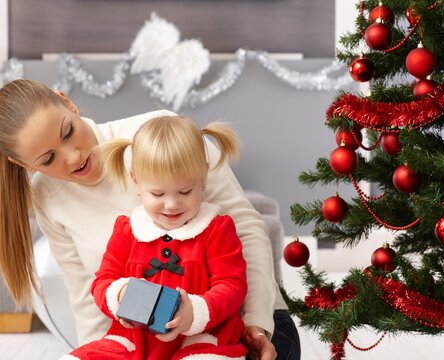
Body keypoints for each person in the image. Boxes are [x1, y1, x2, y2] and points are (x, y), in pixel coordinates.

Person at [0, 79, 300, 359]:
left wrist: (256, 323)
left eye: (68, 132)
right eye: (48, 159)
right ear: (22, 164)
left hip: (239, 323)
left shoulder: (158, 132)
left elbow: (246, 228)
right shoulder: (47, 195)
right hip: (143, 345)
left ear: (68, 103)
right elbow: (86, 295)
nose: (73, 156)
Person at [63, 115, 247, 359]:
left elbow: (232, 286)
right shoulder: (128, 230)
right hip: (131, 342)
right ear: (137, 183)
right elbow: (103, 280)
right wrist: (119, 294)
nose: (171, 205)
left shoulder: (215, 229)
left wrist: (194, 312)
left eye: (185, 191)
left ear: (202, 178)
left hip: (200, 340)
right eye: (157, 193)